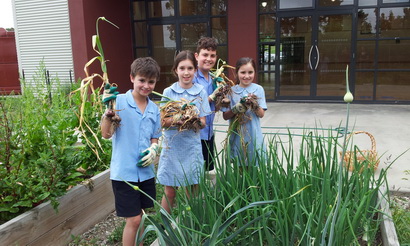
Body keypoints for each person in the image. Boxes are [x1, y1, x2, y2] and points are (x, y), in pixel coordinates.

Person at [100, 57, 161, 246]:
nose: (146, 85)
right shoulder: (118, 101)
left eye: (151, 82)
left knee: (141, 217)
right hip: (124, 174)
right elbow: (106, 134)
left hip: (145, 173)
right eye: (142, 80)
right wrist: (107, 114)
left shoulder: (154, 109)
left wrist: (153, 149)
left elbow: (155, 137)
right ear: (132, 78)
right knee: (133, 220)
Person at [157, 50, 211, 213]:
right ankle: (164, 225)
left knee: (192, 189)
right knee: (170, 191)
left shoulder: (201, 91)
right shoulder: (168, 92)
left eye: (189, 68)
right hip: (172, 147)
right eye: (182, 68)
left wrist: (192, 120)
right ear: (176, 70)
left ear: (195, 70)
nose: (186, 72)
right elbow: (163, 122)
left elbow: (203, 122)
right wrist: (177, 120)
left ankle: (190, 224)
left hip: (191, 147)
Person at [222, 57, 267, 166]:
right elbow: (225, 116)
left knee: (254, 166)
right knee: (239, 167)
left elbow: (261, 114)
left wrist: (254, 104)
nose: (247, 76)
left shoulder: (258, 89)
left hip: (254, 135)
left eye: (250, 72)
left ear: (255, 72)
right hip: (237, 135)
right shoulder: (231, 91)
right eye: (243, 72)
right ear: (237, 73)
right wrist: (237, 108)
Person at [193, 37, 218, 171]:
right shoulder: (192, 77)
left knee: (206, 169)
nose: (209, 59)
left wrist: (221, 100)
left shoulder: (214, 78)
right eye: (205, 55)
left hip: (209, 132)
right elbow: (192, 105)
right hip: (196, 133)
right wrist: (211, 97)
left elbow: (215, 108)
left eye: (212, 55)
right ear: (196, 56)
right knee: (194, 170)